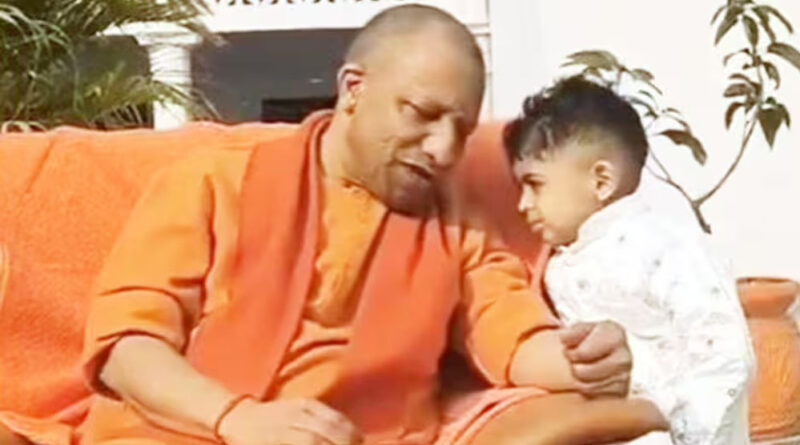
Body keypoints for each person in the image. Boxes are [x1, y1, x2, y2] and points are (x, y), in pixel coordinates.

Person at [0, 6, 660, 445]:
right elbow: (125, 345)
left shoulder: (455, 222)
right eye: (421, 114)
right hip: (181, 430)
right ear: (352, 88)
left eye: (460, 129)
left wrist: (584, 360)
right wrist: (238, 419)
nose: (442, 149)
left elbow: (511, 335)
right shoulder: (211, 181)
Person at [503, 76, 755, 444]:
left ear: (601, 181)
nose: (522, 205)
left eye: (535, 184)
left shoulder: (666, 247)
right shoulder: (557, 263)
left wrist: (667, 418)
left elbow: (725, 355)